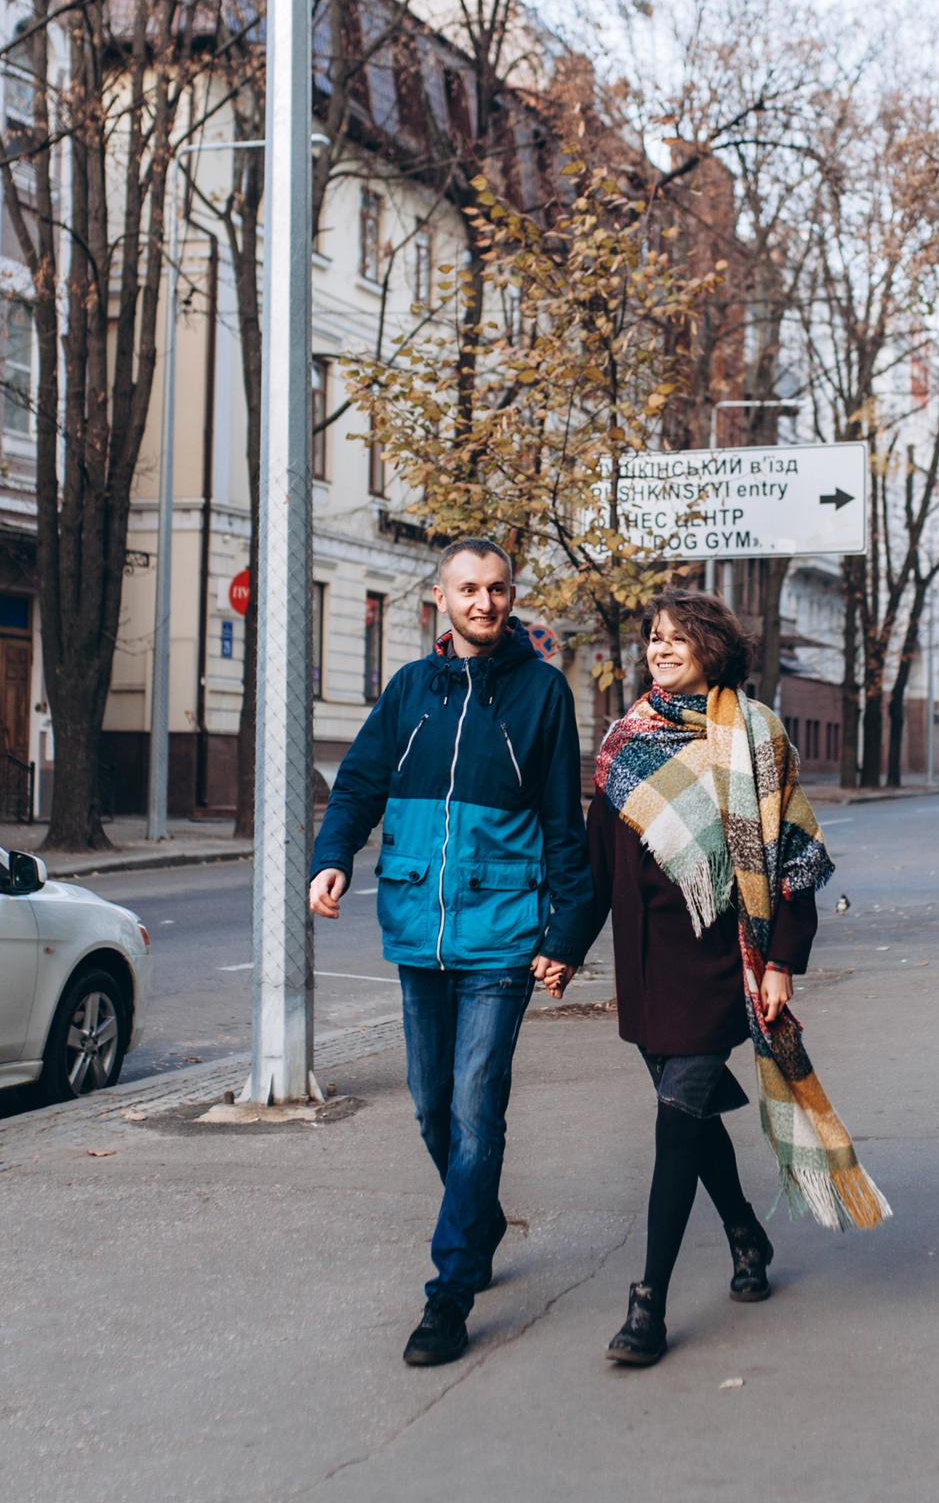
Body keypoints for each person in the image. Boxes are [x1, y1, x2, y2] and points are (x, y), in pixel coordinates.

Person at [535, 588, 889, 1368]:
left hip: (722, 965)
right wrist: (564, 947)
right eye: (654, 638)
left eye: (677, 638)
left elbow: (794, 858)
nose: (661, 650)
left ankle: (649, 1305)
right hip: (646, 967)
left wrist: (782, 961)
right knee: (691, 1119)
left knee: (674, 1123)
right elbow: (595, 870)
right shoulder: (627, 740)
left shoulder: (756, 736)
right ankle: (745, 1233)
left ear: (711, 648)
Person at [309, 538, 594, 1369]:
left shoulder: (542, 692)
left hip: (501, 932)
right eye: (468, 588)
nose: (485, 602)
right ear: (440, 598)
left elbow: (563, 824)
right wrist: (333, 855)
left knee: (475, 1108)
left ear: (511, 595)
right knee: (431, 1106)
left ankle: (451, 1292)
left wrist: (565, 935)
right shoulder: (409, 690)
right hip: (417, 930)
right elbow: (359, 783)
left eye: (497, 588)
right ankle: (480, 1216)